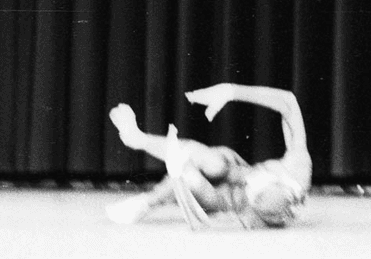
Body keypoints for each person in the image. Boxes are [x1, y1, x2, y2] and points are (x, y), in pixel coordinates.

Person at [105, 83, 312, 229]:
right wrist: (230, 91)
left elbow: (234, 222)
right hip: (229, 169)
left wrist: (191, 200)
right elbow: (288, 102)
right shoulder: (297, 165)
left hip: (223, 200)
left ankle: (149, 200)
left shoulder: (273, 205)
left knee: (190, 176)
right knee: (215, 164)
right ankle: (137, 139)